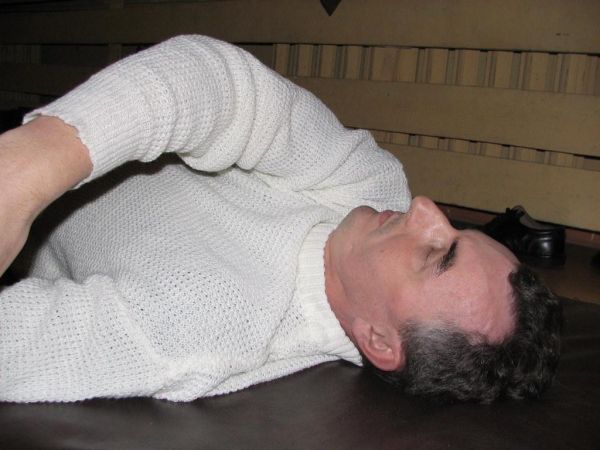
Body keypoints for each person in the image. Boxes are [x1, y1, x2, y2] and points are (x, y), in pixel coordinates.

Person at [0, 35, 562, 404]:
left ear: (378, 340)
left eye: (435, 253)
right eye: (456, 228)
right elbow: (230, 90)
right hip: (46, 124)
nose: (426, 209)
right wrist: (34, 163)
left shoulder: (206, 333)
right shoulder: (370, 184)